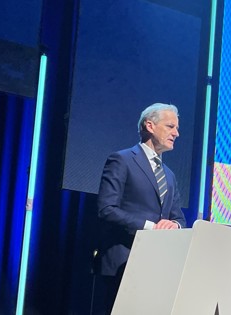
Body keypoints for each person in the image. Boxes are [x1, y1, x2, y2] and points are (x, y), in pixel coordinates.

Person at [95, 103, 186, 313]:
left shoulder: (170, 175)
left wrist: (173, 225)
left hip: (155, 266)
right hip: (122, 264)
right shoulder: (122, 160)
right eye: (171, 126)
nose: (177, 133)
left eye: (177, 128)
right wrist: (151, 228)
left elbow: (179, 219)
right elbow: (106, 209)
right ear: (150, 126)